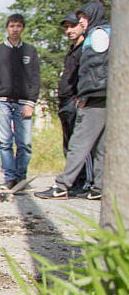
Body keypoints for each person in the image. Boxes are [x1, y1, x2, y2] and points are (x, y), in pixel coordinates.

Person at [36, 0, 109, 201]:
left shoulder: (97, 34)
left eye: (84, 17)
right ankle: (100, 186)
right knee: (101, 146)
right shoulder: (108, 33)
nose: (82, 21)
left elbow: (93, 69)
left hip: (96, 97)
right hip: (108, 97)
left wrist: (84, 95)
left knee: (79, 142)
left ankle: (62, 186)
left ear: (93, 15)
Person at [0, 13, 41, 190]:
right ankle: (9, 177)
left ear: (22, 27)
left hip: (23, 102)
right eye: (11, 26)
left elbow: (36, 78)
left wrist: (30, 102)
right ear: (7, 28)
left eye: (18, 26)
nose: (15, 29)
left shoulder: (30, 51)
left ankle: (21, 176)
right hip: (1, 102)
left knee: (25, 142)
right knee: (5, 141)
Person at [55, 12, 92, 195]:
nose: (69, 30)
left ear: (81, 26)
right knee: (68, 144)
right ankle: (75, 182)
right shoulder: (72, 51)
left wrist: (81, 96)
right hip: (65, 102)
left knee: (80, 144)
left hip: (76, 101)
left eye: (72, 26)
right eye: (66, 27)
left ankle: (86, 182)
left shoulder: (86, 48)